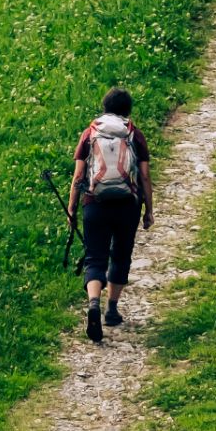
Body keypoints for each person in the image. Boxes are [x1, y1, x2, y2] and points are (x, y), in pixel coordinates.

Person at [71, 87, 154, 343]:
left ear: (104, 106)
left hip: (94, 202)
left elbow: (78, 177)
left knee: (95, 257)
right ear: (128, 109)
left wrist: (72, 209)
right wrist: (149, 209)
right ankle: (112, 310)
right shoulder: (134, 134)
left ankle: (93, 302)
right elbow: (145, 176)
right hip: (127, 204)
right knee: (121, 254)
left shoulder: (90, 133)